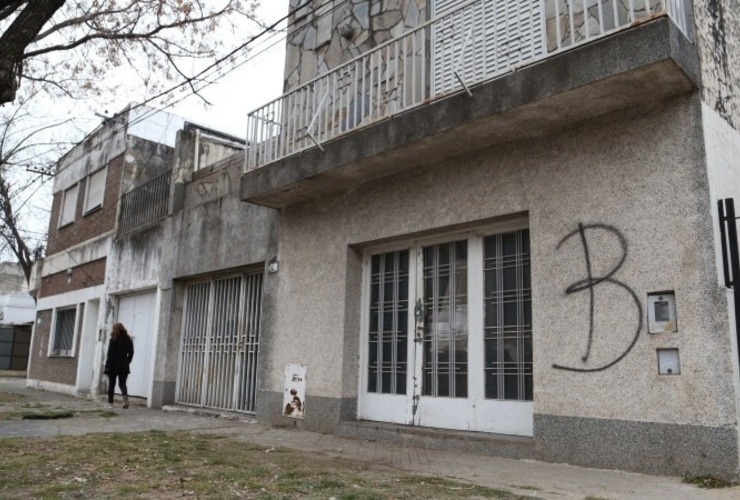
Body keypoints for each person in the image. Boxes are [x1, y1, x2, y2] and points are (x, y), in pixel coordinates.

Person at [104, 322, 134, 409]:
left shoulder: (113, 339)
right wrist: (128, 361)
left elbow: (110, 354)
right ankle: (125, 396)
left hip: (113, 364)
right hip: (124, 364)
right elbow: (131, 353)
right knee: (122, 383)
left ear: (115, 329)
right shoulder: (129, 339)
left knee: (112, 384)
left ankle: (110, 404)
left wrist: (107, 365)